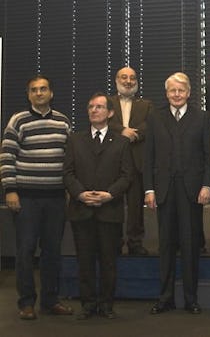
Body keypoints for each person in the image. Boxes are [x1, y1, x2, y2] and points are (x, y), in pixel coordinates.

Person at [0, 75, 74, 320]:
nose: (39, 93)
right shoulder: (18, 121)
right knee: (25, 251)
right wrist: (10, 190)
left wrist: (69, 191)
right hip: (26, 199)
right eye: (34, 90)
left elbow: (69, 161)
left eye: (43, 89)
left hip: (55, 199)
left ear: (51, 93)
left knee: (52, 251)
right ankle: (26, 302)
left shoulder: (63, 121)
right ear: (28, 95)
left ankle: (50, 301)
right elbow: (7, 157)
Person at [144, 72, 210, 315]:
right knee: (166, 246)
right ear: (166, 93)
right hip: (163, 191)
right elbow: (148, 156)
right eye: (172, 90)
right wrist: (149, 189)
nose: (176, 94)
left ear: (189, 93)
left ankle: (191, 299)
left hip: (192, 192)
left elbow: (208, 156)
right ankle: (165, 298)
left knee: (190, 245)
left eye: (180, 90)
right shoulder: (154, 118)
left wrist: (207, 185)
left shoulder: (203, 117)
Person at [63, 93, 133, 320]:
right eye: (91, 106)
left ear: (110, 113)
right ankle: (88, 304)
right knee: (84, 260)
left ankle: (106, 304)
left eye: (100, 107)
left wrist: (109, 194)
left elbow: (127, 176)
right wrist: (80, 194)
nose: (94, 110)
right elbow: (68, 173)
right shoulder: (75, 140)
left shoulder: (121, 142)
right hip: (81, 209)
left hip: (109, 210)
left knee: (108, 261)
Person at [108, 66, 154, 255]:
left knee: (136, 206)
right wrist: (122, 131)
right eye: (124, 77)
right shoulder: (107, 102)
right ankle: (114, 241)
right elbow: (102, 121)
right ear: (116, 80)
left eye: (132, 78)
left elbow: (150, 124)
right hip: (112, 163)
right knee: (113, 204)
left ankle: (135, 242)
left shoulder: (146, 105)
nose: (128, 81)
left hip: (136, 161)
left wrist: (134, 134)